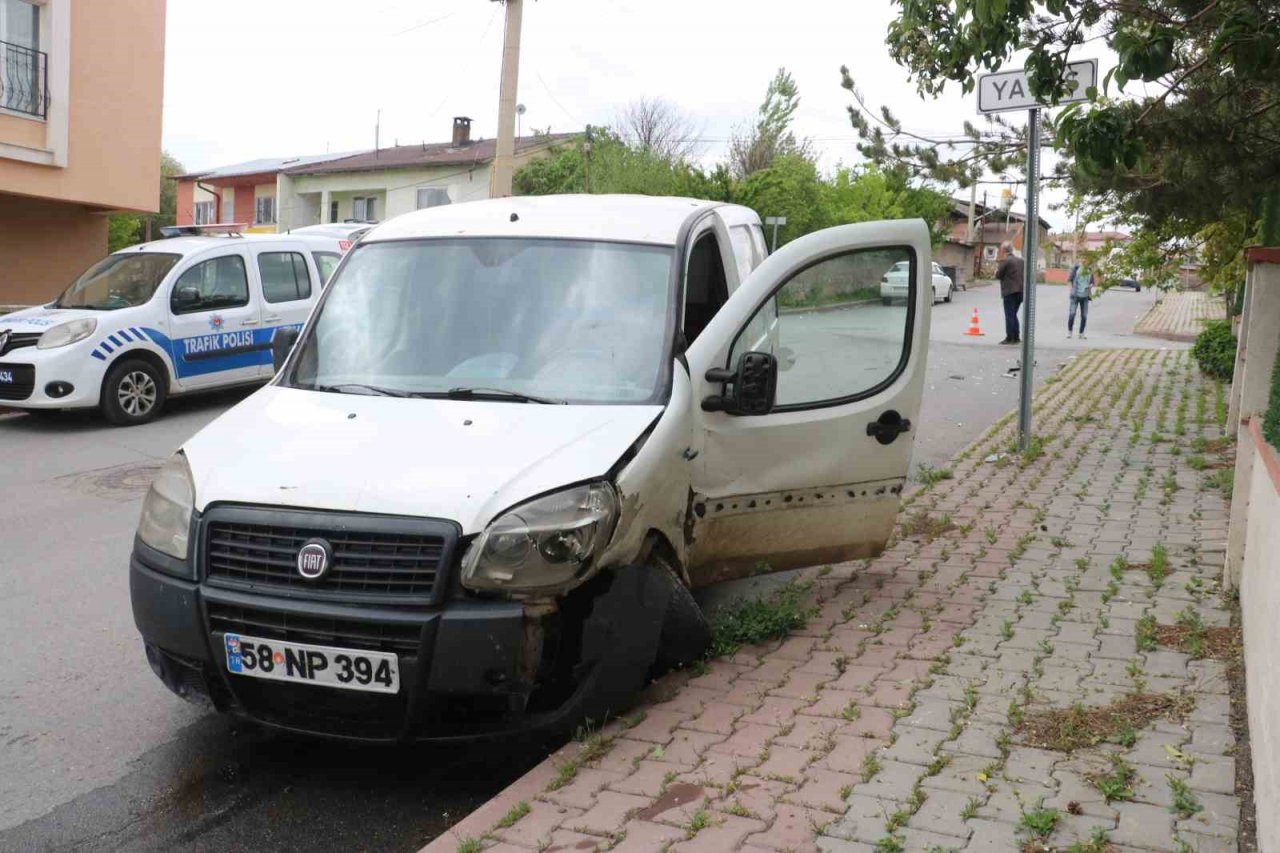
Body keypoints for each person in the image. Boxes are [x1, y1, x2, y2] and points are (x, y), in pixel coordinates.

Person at [995, 242, 1025, 345]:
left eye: (1001, 249)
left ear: (1004, 250)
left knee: (1009, 315)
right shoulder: (1021, 261)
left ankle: (1010, 337)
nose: (1000, 251)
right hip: (1020, 291)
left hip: (1009, 291)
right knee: (1013, 314)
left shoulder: (1006, 261)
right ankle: (1016, 337)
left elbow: (998, 275)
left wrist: (997, 269)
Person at [1068, 263, 1094, 339]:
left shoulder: (1089, 270)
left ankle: (1081, 333)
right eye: (1083, 259)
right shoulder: (1076, 269)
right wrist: (1071, 290)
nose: (1084, 261)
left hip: (1085, 296)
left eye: (1086, 259)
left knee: (1084, 316)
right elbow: (1069, 280)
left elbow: (1092, 282)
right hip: (1075, 296)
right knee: (1072, 314)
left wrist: (1090, 286)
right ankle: (1070, 332)